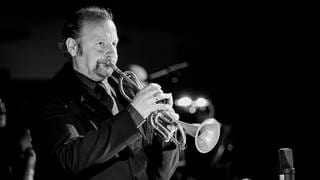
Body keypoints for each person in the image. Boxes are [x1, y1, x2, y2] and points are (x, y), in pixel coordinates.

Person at [27, 6, 180, 180]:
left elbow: (160, 175)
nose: (112, 53)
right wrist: (133, 115)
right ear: (73, 47)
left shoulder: (127, 90)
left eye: (114, 43)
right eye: (101, 44)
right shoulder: (48, 98)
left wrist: (166, 138)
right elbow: (68, 159)